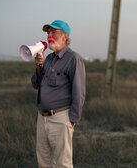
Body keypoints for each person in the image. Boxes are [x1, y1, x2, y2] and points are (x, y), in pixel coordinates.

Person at [31, 20, 86, 168]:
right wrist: (39, 66)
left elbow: (79, 91)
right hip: (42, 119)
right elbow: (36, 84)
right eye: (48, 32)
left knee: (62, 164)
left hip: (61, 118)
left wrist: (72, 121)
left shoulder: (73, 58)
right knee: (43, 162)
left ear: (65, 36)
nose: (49, 35)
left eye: (53, 32)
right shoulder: (48, 58)